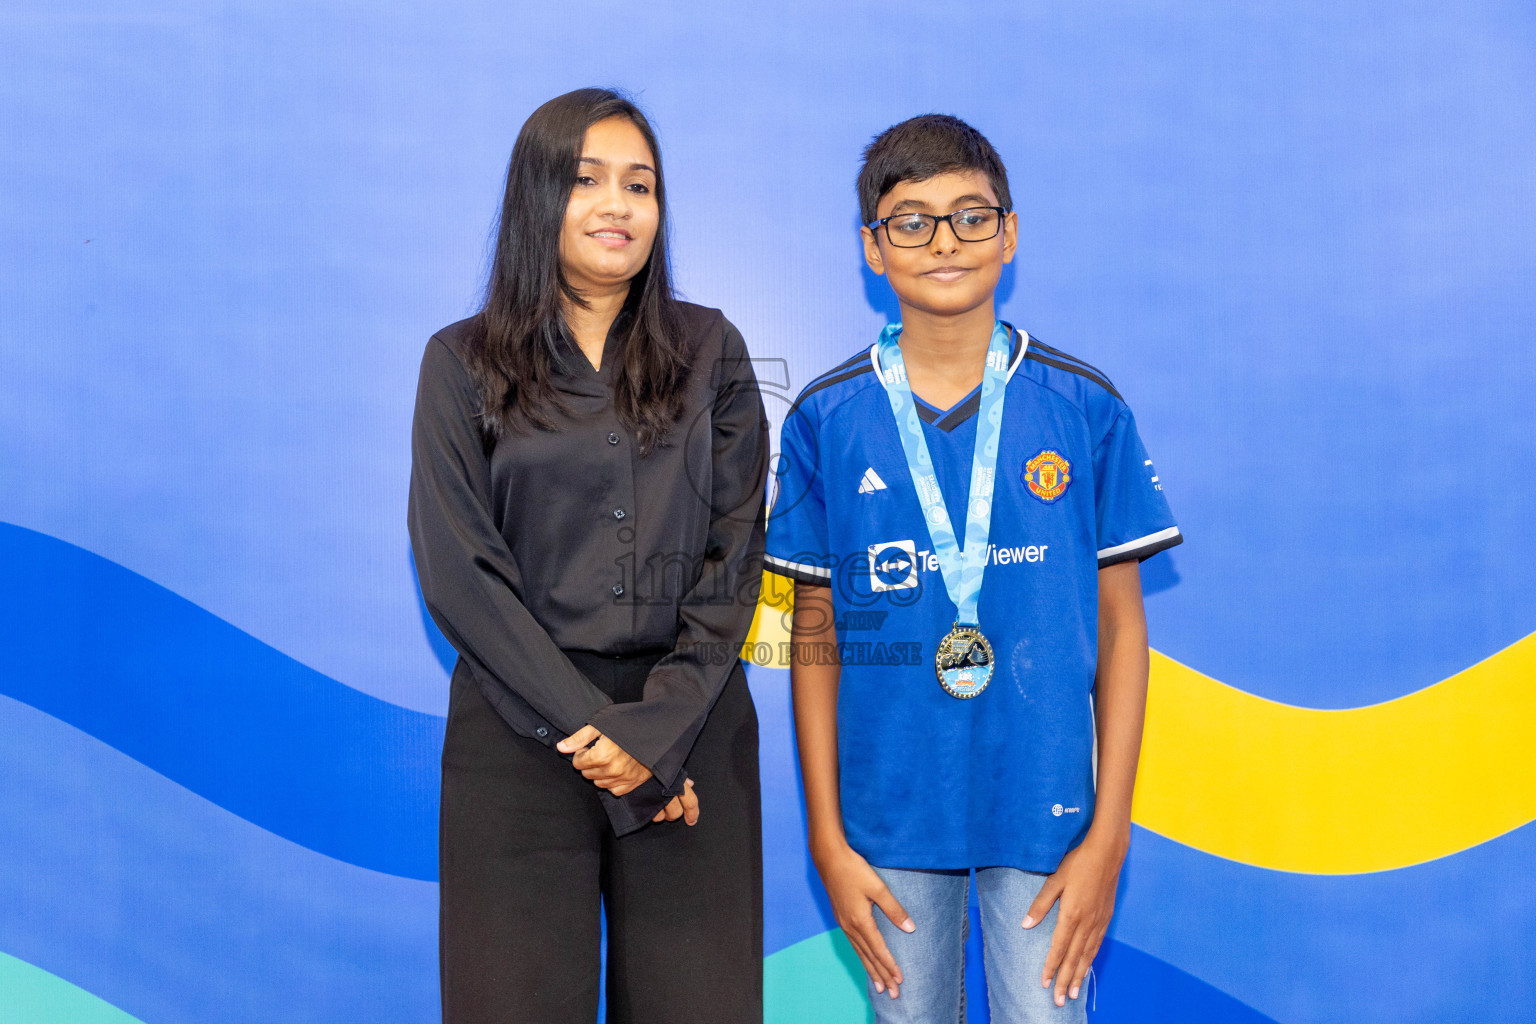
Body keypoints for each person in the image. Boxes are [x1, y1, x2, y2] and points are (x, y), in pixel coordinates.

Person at [766, 114, 1181, 1022]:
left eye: (970, 215)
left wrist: (1109, 837)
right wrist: (828, 842)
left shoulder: (1084, 406)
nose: (944, 241)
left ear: (1012, 231)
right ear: (873, 249)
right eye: (910, 220)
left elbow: (1122, 629)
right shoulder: (823, 419)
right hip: (888, 827)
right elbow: (813, 633)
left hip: (1048, 820)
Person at [408, 88, 767, 1024]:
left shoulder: (711, 349)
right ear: (538, 199)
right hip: (519, 735)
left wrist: (655, 733)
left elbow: (736, 553)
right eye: (587, 180)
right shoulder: (462, 361)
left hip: (690, 732)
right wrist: (596, 733)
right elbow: (459, 572)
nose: (619, 205)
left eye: (639, 185)